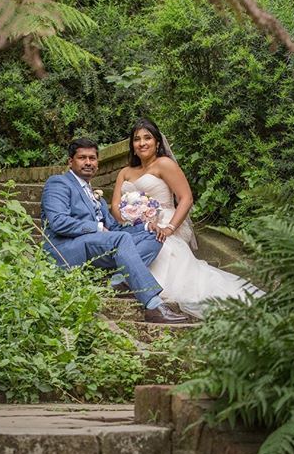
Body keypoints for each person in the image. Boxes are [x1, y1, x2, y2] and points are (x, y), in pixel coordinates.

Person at [111, 118, 264, 318]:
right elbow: (115, 205)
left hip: (162, 223)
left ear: (157, 142)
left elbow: (186, 198)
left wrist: (169, 228)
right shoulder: (125, 172)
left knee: (165, 260)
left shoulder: (164, 164)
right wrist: (129, 218)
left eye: (147, 138)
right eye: (137, 139)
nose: (142, 143)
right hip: (134, 227)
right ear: (132, 145)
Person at [40, 137, 188, 324]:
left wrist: (144, 226)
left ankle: (119, 279)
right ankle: (153, 305)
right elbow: (58, 222)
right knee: (120, 240)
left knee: (154, 235)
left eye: (92, 158)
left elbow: (115, 228)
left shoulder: (98, 198)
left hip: (96, 246)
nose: (88, 163)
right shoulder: (58, 183)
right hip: (66, 247)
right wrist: (97, 228)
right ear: (71, 161)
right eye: (82, 158)